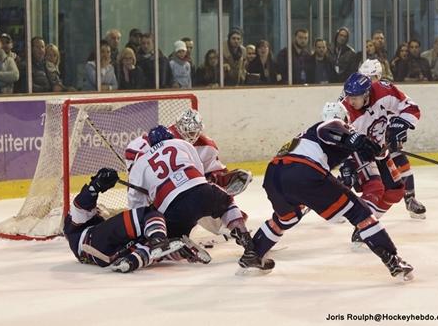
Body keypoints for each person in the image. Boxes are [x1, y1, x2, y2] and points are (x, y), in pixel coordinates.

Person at [245, 103, 414, 280]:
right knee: (359, 212)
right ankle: (393, 261)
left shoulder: (309, 138)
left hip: (274, 175)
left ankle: (252, 255)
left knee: (287, 218)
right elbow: (331, 128)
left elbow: (352, 154)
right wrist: (357, 139)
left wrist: (378, 153)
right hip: (304, 172)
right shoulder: (329, 126)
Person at [127, 125, 272, 271]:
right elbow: (198, 173)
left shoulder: (140, 163)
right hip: (200, 191)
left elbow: (137, 206)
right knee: (226, 202)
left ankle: (178, 250)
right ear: (170, 137)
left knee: (164, 244)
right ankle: (249, 247)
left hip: (172, 208)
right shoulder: (182, 144)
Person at [63, 168, 211, 273]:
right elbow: (81, 204)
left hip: (102, 256)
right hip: (93, 242)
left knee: (147, 242)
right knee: (148, 214)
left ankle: (133, 261)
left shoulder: (85, 224)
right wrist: (95, 185)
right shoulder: (74, 223)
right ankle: (159, 240)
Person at [339, 73, 421, 226]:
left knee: (395, 191)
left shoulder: (383, 91)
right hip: (360, 154)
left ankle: (365, 225)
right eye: (348, 96)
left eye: (355, 97)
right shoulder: (346, 112)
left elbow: (410, 107)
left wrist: (400, 125)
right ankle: (365, 225)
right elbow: (338, 143)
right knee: (374, 189)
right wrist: (348, 164)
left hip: (381, 152)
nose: (350, 101)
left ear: (366, 94)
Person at [357, 59, 426, 218]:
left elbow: (402, 112)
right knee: (349, 173)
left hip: (382, 142)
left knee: (401, 163)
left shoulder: (386, 90)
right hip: (362, 145)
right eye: (364, 77)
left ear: (379, 76)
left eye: (371, 77)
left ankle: (410, 199)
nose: (368, 81)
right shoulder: (354, 95)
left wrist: (397, 131)